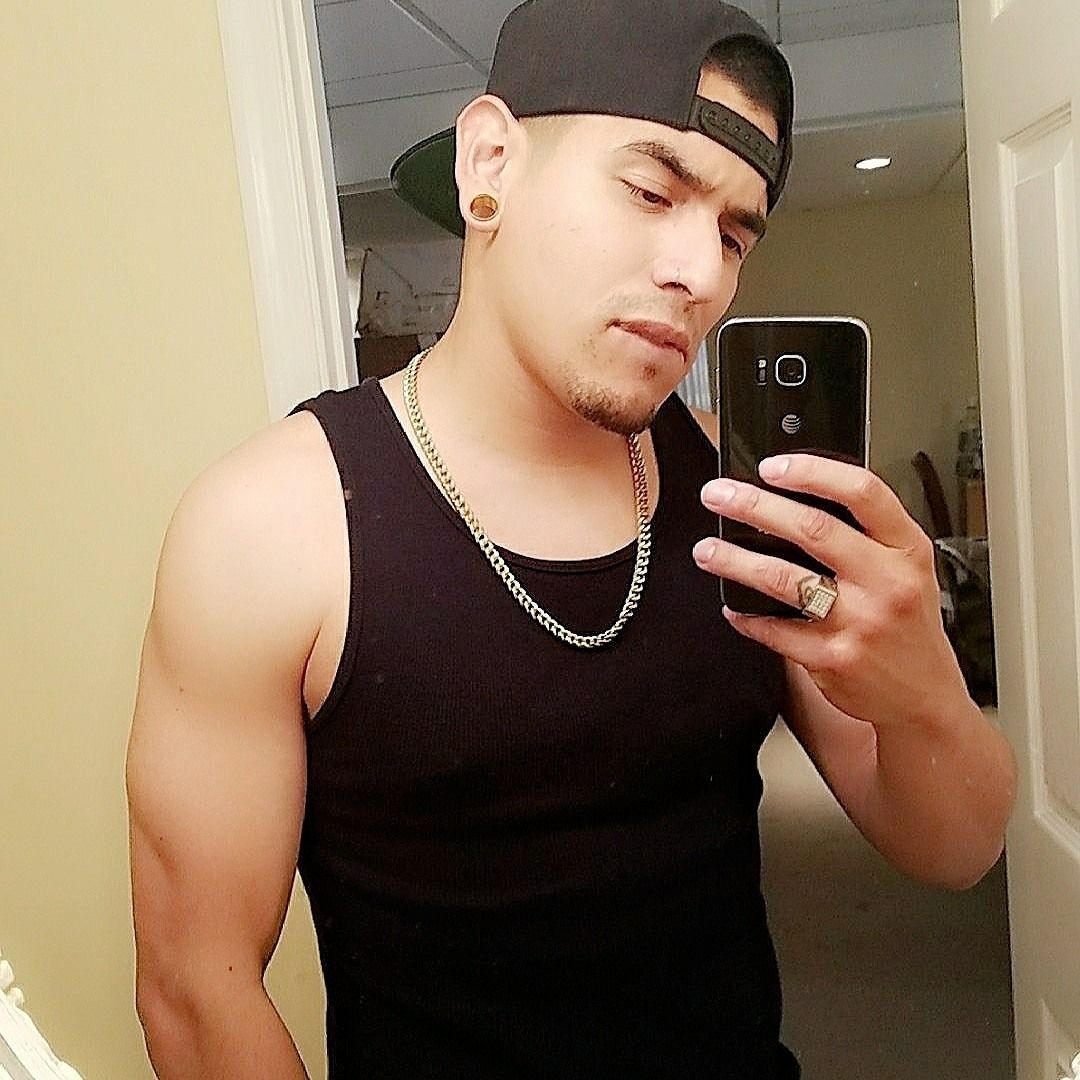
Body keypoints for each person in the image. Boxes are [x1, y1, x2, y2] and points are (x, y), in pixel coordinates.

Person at [125, 2, 1017, 1078]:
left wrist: (924, 690)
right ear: (490, 162)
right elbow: (197, 985)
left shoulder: (743, 494)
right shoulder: (269, 529)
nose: (701, 273)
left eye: (735, 235)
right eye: (651, 191)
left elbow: (956, 848)